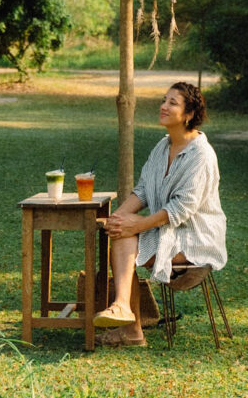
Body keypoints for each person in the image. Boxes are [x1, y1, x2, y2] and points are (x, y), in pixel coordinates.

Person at [93, 81, 226, 347]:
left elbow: (182, 208)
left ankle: (129, 323)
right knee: (120, 233)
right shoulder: (162, 147)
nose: (163, 106)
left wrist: (138, 225)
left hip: (195, 235)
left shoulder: (201, 154)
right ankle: (126, 317)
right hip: (167, 229)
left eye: (172, 103)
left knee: (126, 237)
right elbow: (143, 191)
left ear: (188, 115)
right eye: (164, 100)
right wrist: (116, 220)